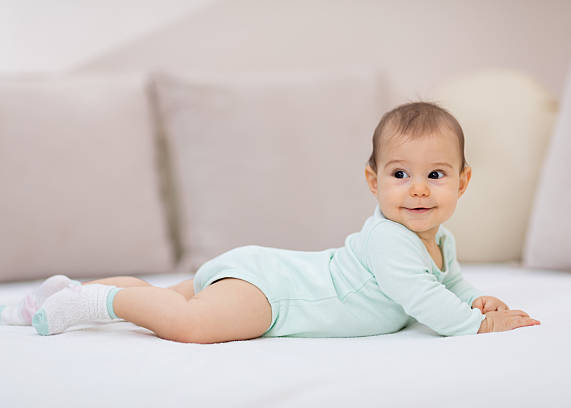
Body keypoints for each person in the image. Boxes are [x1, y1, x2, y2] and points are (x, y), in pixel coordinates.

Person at [0, 101, 540, 343]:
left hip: (265, 272)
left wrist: (475, 298)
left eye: (436, 174)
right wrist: (480, 325)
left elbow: (445, 284)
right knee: (190, 324)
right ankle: (89, 304)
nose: (418, 188)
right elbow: (425, 303)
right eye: (400, 173)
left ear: (463, 182)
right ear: (373, 182)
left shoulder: (436, 238)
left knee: (167, 297)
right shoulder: (391, 240)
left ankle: (54, 294)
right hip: (274, 296)